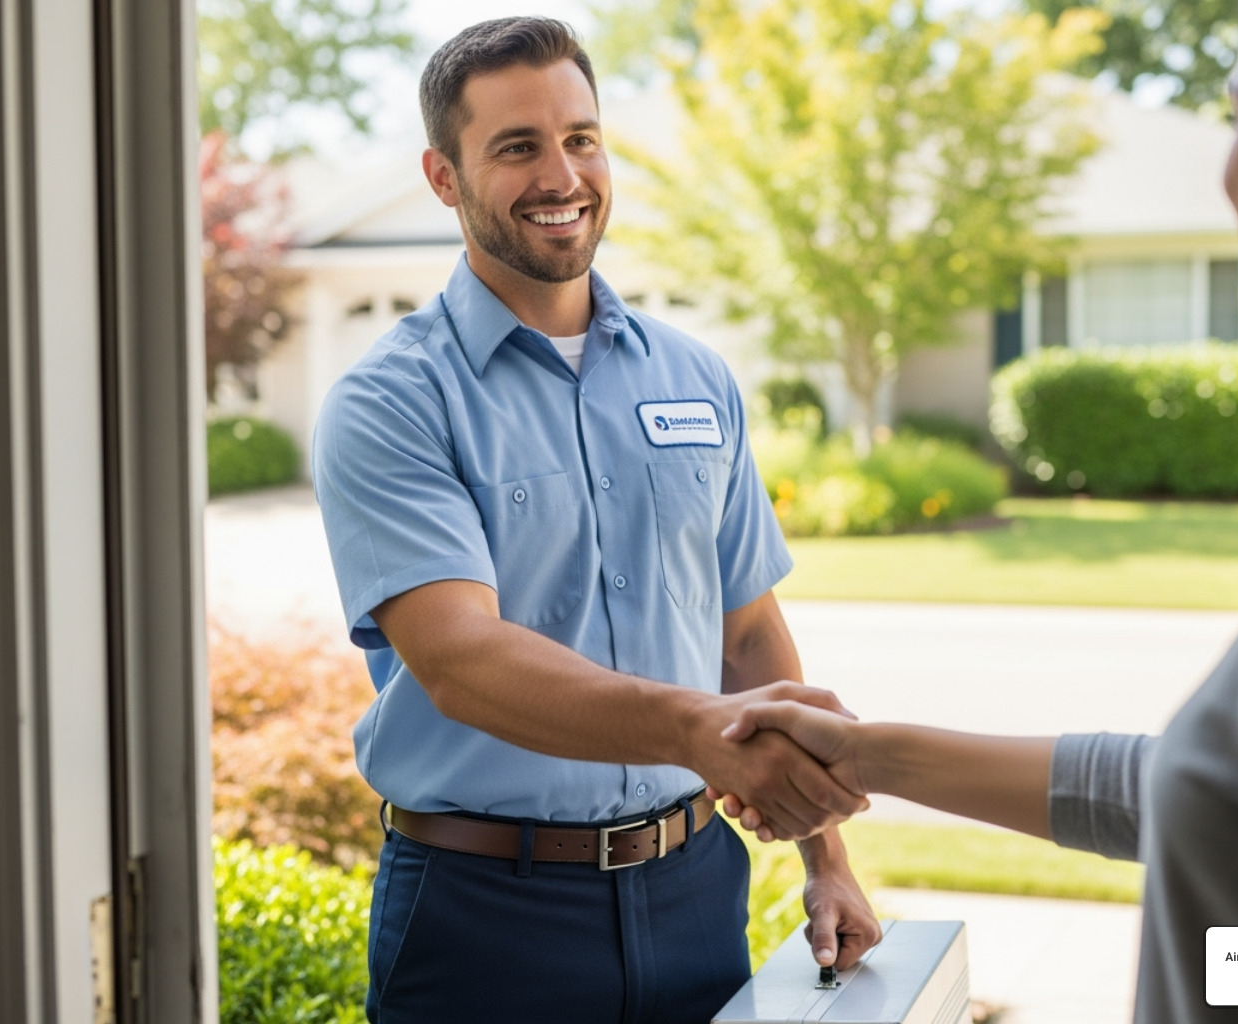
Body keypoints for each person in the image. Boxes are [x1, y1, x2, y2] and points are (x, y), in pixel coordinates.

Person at [719, 0, 1238, 1020]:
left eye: (1237, 116)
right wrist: (871, 757)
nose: (1223, 171)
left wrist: (1199, 970)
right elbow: (1215, 796)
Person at [310, 17, 880, 1024]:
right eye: (517, 146)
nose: (561, 173)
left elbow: (744, 633)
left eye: (581, 136)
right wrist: (698, 729)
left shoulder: (695, 379)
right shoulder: (392, 401)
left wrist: (824, 856)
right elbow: (462, 661)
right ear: (444, 178)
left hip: (696, 885)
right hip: (483, 909)